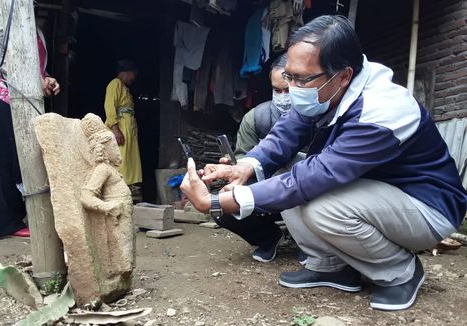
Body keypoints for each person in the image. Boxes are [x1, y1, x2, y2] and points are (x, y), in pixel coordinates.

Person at [181, 15, 466, 311]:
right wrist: (245, 166)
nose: (292, 88)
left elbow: (315, 177)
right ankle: (331, 267)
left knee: (321, 205)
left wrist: (214, 203)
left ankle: (400, 272)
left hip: (427, 206)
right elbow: (285, 135)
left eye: (300, 79)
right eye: (289, 76)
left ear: (343, 75)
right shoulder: (324, 88)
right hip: (376, 192)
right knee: (283, 169)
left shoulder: (381, 111)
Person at [0, 5, 60, 239]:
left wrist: (46, 79)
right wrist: (33, 78)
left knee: (20, 156)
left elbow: (36, 64)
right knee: (1, 158)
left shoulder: (36, 26)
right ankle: (5, 224)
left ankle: (18, 216)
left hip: (23, 98)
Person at [214, 54, 292, 263]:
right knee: (220, 204)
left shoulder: (322, 116)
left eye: (289, 90)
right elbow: (242, 160)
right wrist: (236, 174)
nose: (283, 96)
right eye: (277, 90)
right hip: (268, 188)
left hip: (309, 188)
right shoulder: (257, 118)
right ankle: (269, 238)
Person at [104, 60, 142, 187]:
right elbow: (109, 107)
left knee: (129, 160)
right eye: (133, 75)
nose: (133, 78)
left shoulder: (126, 89)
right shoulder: (115, 84)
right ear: (125, 73)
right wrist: (115, 130)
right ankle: (119, 187)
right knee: (121, 159)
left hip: (128, 130)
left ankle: (130, 187)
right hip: (120, 129)